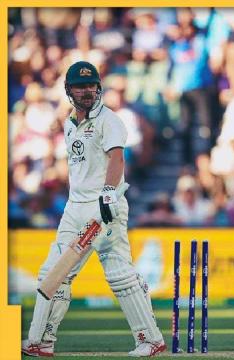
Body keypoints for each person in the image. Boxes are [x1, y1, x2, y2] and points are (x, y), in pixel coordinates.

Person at [21, 61, 166, 357]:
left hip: (104, 206)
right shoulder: (69, 123)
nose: (87, 91)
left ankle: (150, 340)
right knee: (52, 273)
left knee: (119, 275)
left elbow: (116, 159)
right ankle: (42, 341)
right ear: (68, 90)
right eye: (80, 86)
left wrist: (109, 194)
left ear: (98, 88)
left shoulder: (109, 120)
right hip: (74, 208)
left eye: (91, 86)